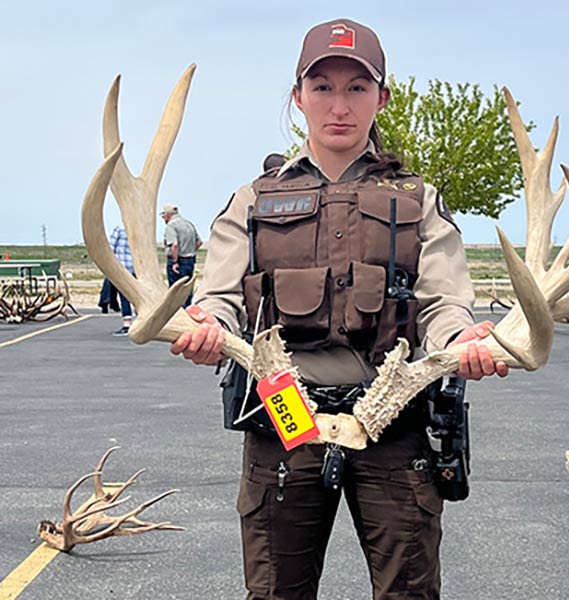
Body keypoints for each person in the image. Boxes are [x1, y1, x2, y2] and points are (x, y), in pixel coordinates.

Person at [170, 18, 508, 599]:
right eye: (322, 87)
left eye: (357, 87)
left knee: (409, 593)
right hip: (284, 425)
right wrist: (208, 327)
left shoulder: (417, 199)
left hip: (394, 428)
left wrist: (463, 344)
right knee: (278, 593)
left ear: (382, 96)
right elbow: (220, 298)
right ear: (298, 97)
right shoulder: (252, 200)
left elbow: (443, 302)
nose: (339, 105)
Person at [161, 204, 202, 306]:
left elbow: (174, 245)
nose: (163, 219)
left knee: (175, 292)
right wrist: (190, 251)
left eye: (163, 216)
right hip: (190, 260)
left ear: (167, 215)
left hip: (178, 261)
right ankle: (188, 312)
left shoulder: (171, 226)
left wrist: (175, 262)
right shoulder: (189, 224)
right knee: (187, 291)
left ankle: (178, 315)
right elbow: (199, 242)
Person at [107, 224, 134, 335]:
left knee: (124, 296)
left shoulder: (119, 229)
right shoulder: (138, 229)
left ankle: (127, 324)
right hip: (136, 268)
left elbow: (110, 248)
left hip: (121, 267)